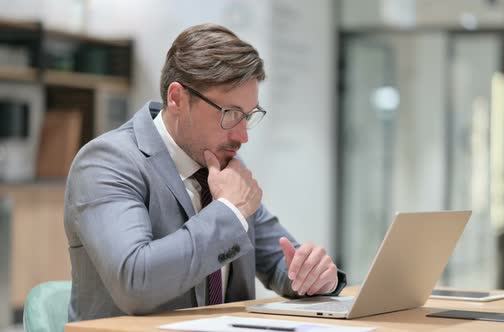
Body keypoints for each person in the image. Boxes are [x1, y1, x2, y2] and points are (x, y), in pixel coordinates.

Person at [64, 23, 346, 322]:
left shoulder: (223, 164)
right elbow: (136, 282)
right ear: (177, 99)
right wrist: (228, 211)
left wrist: (315, 276)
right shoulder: (107, 161)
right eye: (230, 114)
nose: (242, 136)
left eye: (248, 116)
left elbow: (280, 260)